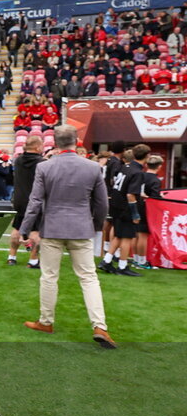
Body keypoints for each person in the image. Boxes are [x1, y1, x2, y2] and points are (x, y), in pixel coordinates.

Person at [20, 125, 115, 349]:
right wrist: (95, 225)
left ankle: (46, 321)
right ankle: (99, 325)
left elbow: (35, 202)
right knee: (89, 278)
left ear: (54, 141)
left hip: (53, 229)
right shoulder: (92, 167)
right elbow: (102, 203)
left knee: (49, 276)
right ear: (77, 140)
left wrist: (25, 228)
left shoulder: (45, 167)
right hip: (81, 229)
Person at [101, 143, 149, 276]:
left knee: (118, 234)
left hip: (116, 204)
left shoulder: (126, 167)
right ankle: (122, 266)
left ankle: (107, 260)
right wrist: (135, 213)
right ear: (146, 156)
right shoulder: (138, 172)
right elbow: (130, 194)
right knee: (127, 237)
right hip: (126, 207)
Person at [8, 136, 45, 267]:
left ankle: (11, 256)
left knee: (17, 228)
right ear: (38, 147)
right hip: (34, 201)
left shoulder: (18, 160)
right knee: (36, 231)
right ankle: (33, 260)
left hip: (19, 199)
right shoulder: (42, 162)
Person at [133, 154, 164, 269]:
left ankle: (136, 259)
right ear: (159, 166)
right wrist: (161, 197)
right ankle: (141, 262)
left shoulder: (140, 175)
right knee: (143, 235)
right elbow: (154, 197)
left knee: (136, 234)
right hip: (146, 208)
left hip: (136, 205)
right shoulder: (155, 180)